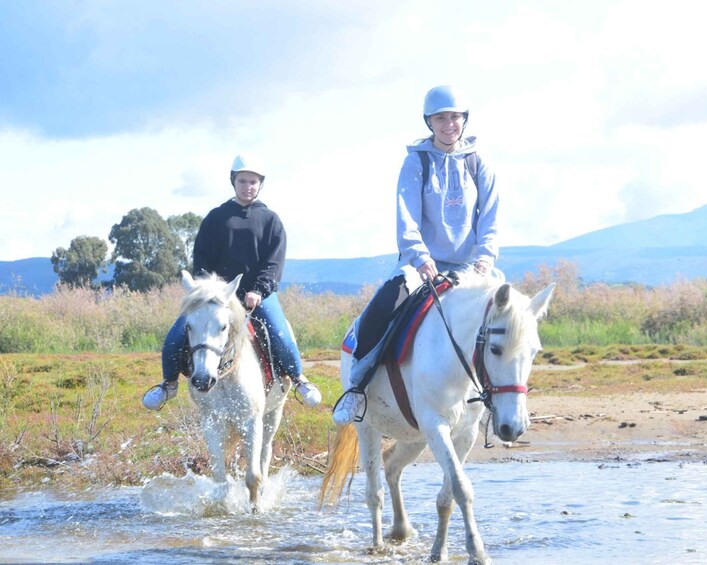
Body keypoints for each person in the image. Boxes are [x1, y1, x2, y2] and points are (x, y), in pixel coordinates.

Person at [332, 85, 502, 425]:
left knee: (508, 318)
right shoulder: (416, 162)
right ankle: (356, 387)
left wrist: (486, 257)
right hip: (421, 263)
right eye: (441, 118)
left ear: (463, 120)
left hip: (471, 266)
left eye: (454, 117)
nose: (448, 124)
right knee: (386, 303)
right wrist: (421, 258)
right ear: (429, 122)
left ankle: (505, 398)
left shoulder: (478, 162)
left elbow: (491, 217)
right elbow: (406, 216)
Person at [142, 154, 322, 410]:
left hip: (256, 296)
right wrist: (209, 290)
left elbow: (274, 263)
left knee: (279, 333)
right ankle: (168, 384)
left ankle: (299, 379)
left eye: (253, 181)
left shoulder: (271, 220)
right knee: (177, 334)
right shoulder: (216, 218)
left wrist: (258, 290)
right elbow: (202, 258)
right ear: (233, 181)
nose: (248, 186)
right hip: (217, 298)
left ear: (260, 184)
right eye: (243, 181)